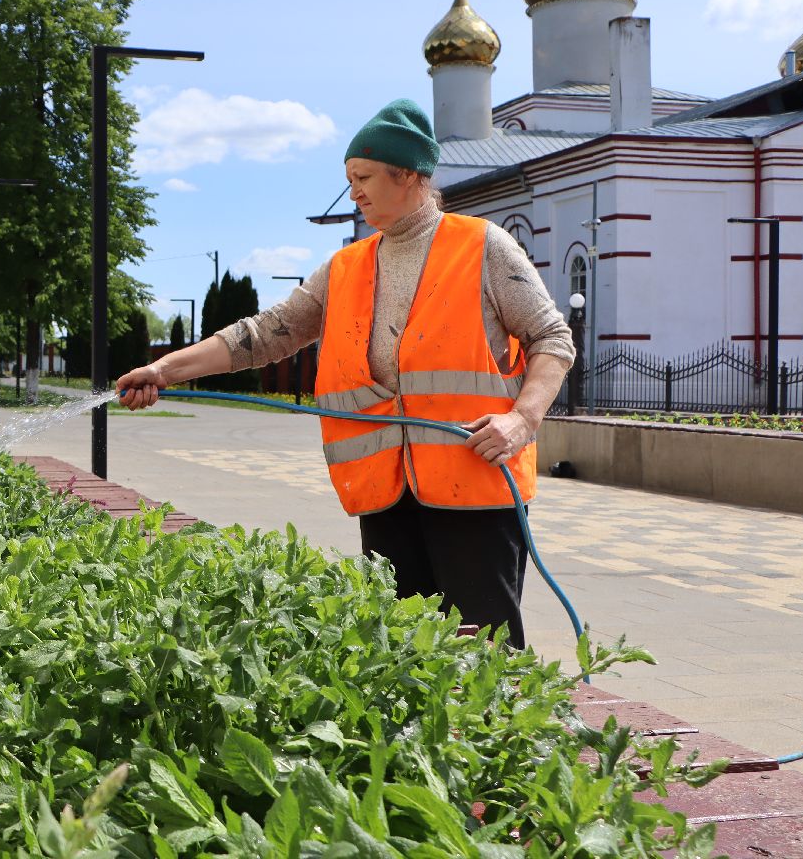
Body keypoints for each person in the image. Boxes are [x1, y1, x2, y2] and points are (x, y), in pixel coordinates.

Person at [116, 99, 574, 649]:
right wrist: (164, 369)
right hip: (386, 494)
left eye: (364, 177)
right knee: (401, 653)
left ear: (408, 177)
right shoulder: (347, 267)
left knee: (485, 655)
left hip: (476, 487)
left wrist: (522, 420)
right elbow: (265, 334)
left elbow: (554, 339)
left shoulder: (482, 247)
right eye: (350, 178)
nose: (354, 191)